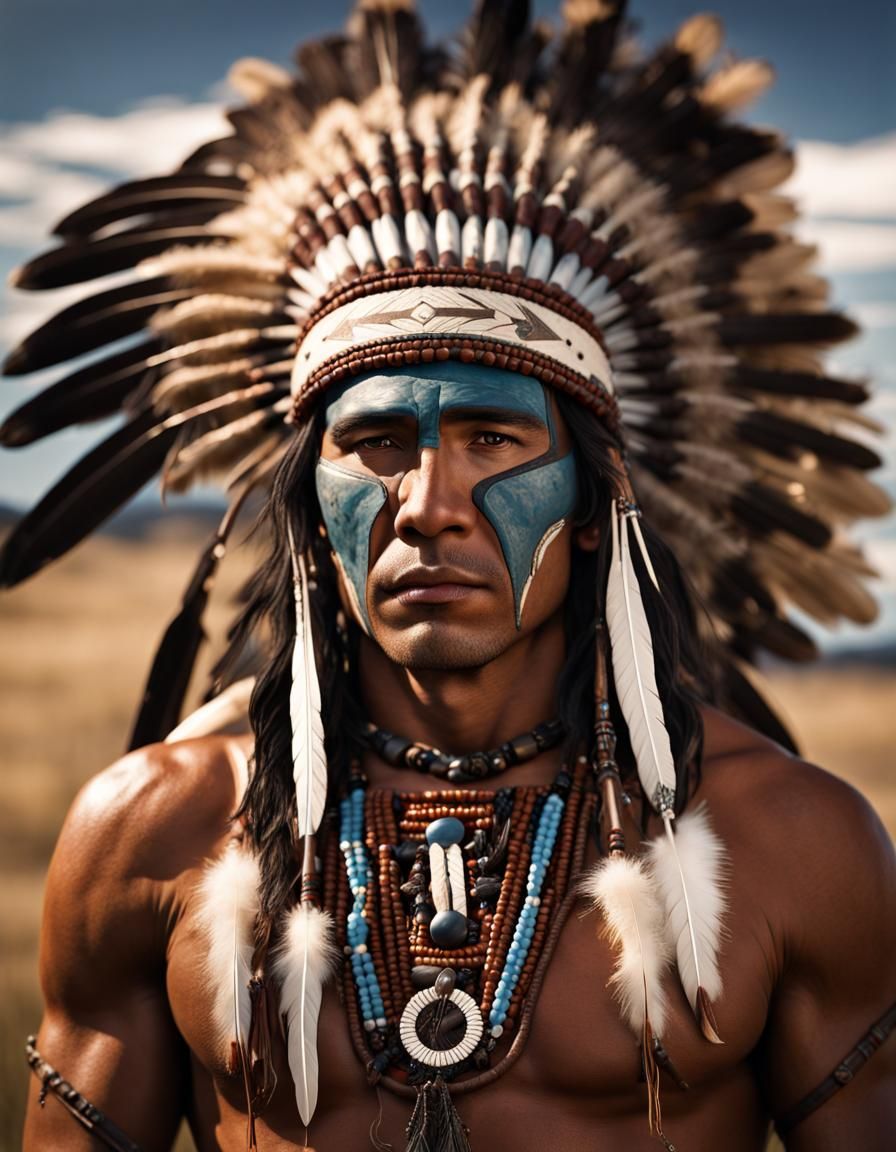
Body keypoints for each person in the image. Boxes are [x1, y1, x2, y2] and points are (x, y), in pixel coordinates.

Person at [6, 3, 894, 1150]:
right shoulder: (154, 833)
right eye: (374, 444)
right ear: (309, 510)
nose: (427, 506)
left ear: (590, 506)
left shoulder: (786, 842)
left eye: (492, 440)